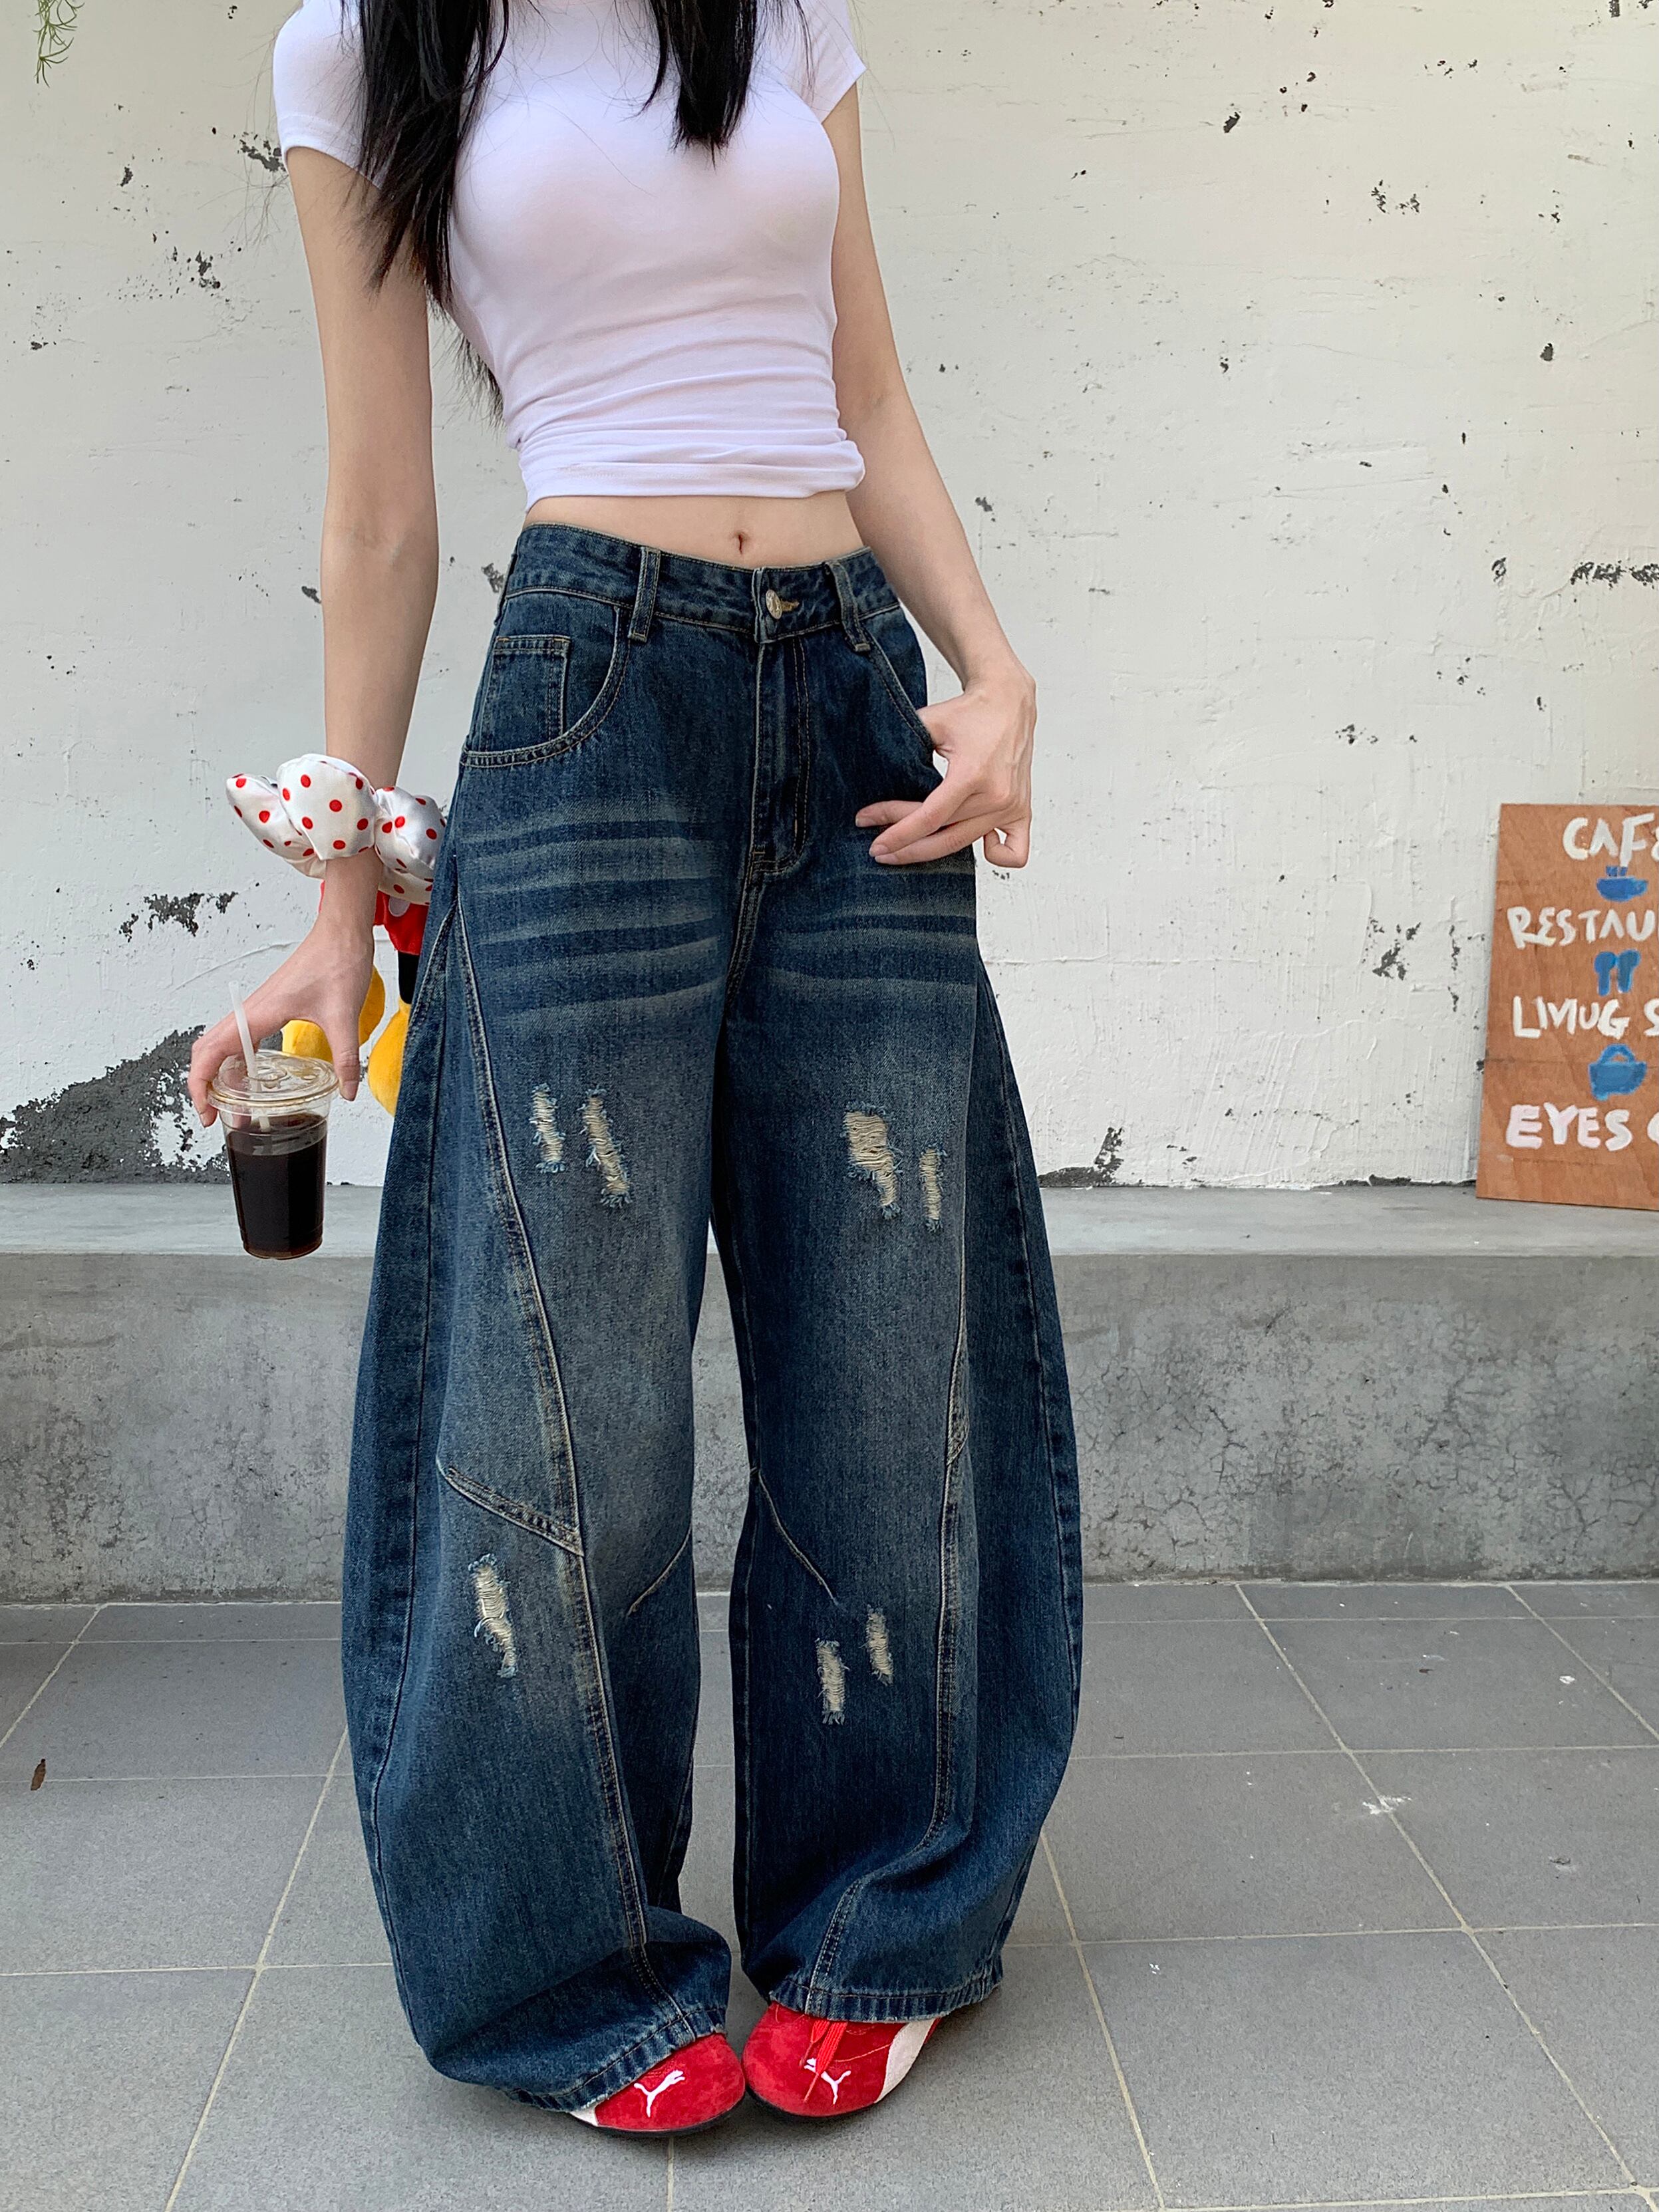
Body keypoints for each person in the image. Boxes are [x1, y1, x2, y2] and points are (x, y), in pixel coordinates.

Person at [190, 0, 1081, 2137]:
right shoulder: (362, 47)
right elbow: (382, 506)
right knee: (561, 1383)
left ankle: (884, 1916)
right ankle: (568, 1960)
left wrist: (995, 670)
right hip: (593, 695)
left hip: (854, 696)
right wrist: (341, 899)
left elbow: (864, 388)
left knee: (887, 1357)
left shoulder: (780, 14)